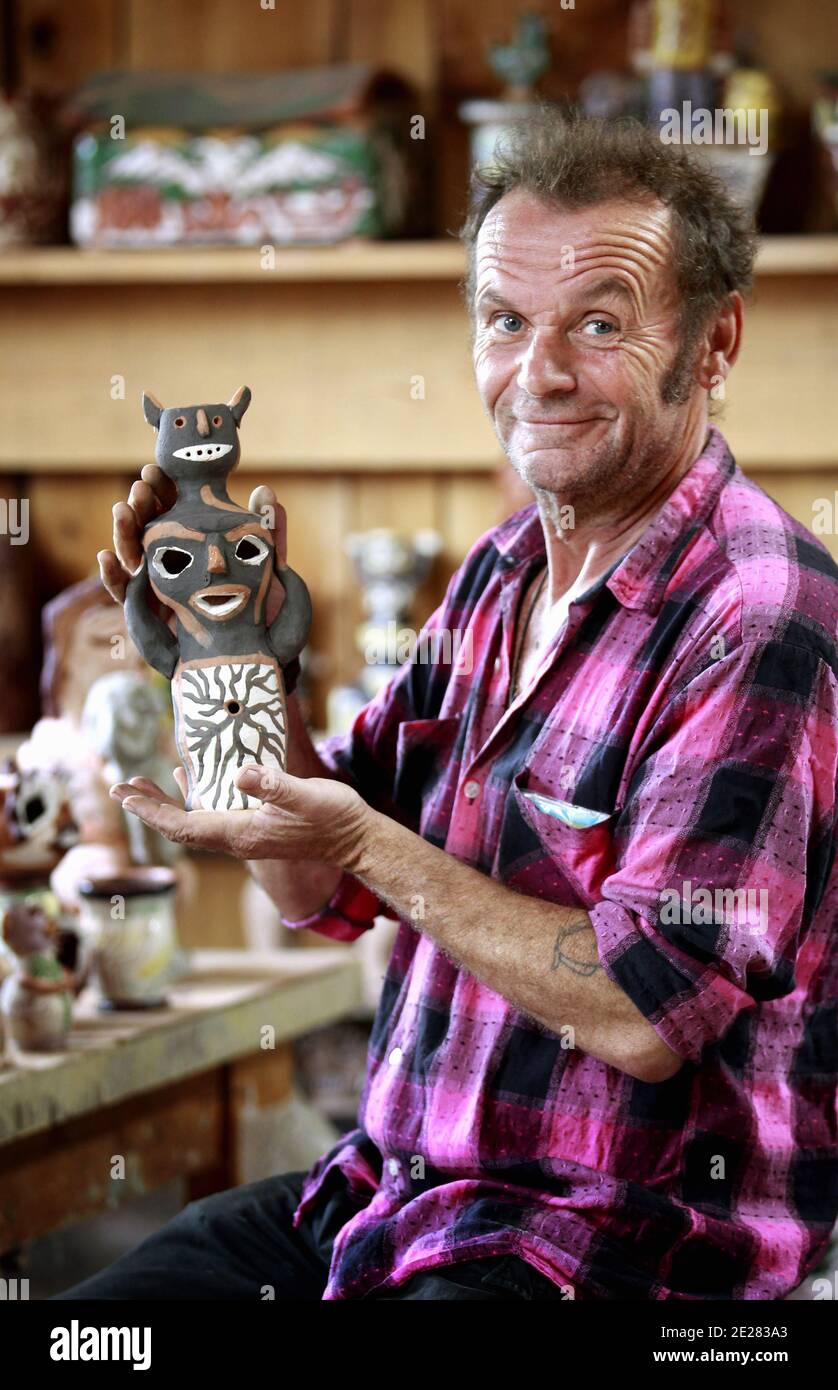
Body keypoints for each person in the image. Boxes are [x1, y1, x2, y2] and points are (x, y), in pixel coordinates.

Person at [56, 111, 837, 1301]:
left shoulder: (760, 615)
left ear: (714, 342)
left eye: (598, 324)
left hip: (618, 1243)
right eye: (505, 321)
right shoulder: (502, 570)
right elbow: (309, 879)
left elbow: (639, 1010)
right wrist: (220, 635)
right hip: (390, 1197)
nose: (540, 371)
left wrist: (369, 839)